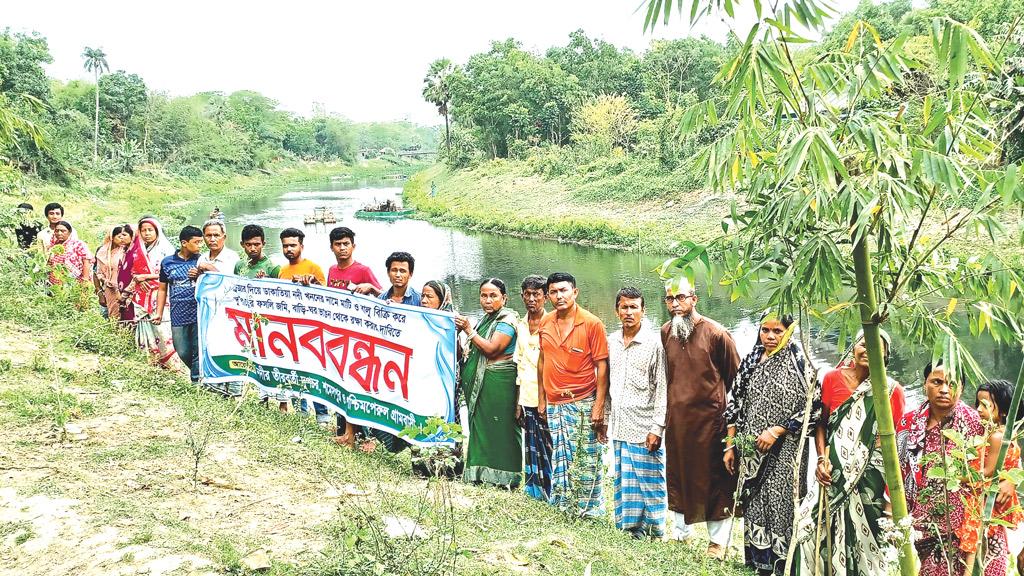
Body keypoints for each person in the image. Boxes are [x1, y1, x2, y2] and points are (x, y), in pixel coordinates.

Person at [794, 330, 905, 576]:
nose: (869, 349)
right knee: (811, 525)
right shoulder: (832, 378)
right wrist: (821, 459)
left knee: (864, 536)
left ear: (885, 354)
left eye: (878, 345)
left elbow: (891, 443)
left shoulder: (892, 391)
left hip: (870, 476)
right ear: (854, 348)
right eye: (864, 343)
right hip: (831, 469)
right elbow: (820, 424)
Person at [723, 312, 816, 575]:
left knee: (783, 507)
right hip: (751, 451)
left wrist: (778, 429)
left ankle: (785, 566)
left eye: (777, 331)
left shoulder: (800, 362)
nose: (771, 337)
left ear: (789, 331)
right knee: (754, 505)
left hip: (786, 453)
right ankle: (757, 564)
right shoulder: (752, 360)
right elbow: (735, 405)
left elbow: (815, 407)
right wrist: (730, 446)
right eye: (765, 330)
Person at [898, 365, 1012, 576]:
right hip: (930, 531)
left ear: (960, 388)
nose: (944, 389)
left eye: (951, 384)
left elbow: (1009, 452)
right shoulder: (908, 423)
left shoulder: (978, 422)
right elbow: (896, 473)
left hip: (976, 526)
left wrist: (1009, 481)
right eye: (937, 382)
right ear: (925, 384)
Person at [660, 278, 739, 558]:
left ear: (694, 299)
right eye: (670, 299)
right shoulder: (666, 332)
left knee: (715, 480)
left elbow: (737, 382)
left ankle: (717, 542)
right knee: (680, 475)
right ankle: (681, 535)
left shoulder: (717, 333)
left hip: (711, 423)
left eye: (681, 298)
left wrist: (725, 417)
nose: (675, 304)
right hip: (678, 423)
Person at [537, 272, 609, 518]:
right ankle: (564, 503)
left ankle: (589, 509)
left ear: (575, 292)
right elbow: (542, 359)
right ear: (548, 296)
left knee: (587, 455)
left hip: (583, 401)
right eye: (554, 292)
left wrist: (599, 406)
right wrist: (542, 398)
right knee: (560, 454)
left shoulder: (592, 323)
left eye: (564, 290)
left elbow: (602, 367)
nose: (559, 296)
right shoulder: (545, 322)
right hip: (554, 402)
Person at [607, 287, 668, 538]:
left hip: (645, 427)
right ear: (617, 310)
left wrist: (657, 428)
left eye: (634, 307)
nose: (629, 312)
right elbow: (606, 381)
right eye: (624, 307)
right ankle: (630, 527)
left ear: (643, 311)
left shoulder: (654, 344)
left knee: (650, 483)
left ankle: (654, 530)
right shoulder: (611, 341)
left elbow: (663, 388)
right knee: (625, 479)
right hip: (620, 424)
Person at [454, 278, 521, 488]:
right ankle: (479, 474)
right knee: (481, 427)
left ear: (504, 298)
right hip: (484, 383)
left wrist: (468, 330)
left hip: (499, 382)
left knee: (501, 427)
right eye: (484, 295)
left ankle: (507, 477)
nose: (488, 300)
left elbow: (493, 349)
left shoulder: (507, 319)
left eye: (493, 296)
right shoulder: (486, 319)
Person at [958, 379, 1024, 576]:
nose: (978, 409)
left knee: (977, 546)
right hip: (994, 503)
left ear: (1003, 411)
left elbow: (988, 472)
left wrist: (960, 476)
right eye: (977, 403)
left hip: (986, 502)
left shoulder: (996, 437)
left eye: (985, 405)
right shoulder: (1006, 434)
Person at [120, 217, 181, 368]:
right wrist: (139, 279)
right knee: (146, 327)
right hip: (142, 295)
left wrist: (147, 277)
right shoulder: (138, 251)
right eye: (143, 230)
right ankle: (151, 362)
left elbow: (172, 272)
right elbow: (133, 271)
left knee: (163, 329)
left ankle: (172, 364)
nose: (146, 233)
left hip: (161, 296)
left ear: (157, 231)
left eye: (150, 230)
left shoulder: (167, 251)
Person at [514, 274, 553, 501]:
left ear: (545, 297)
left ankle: (552, 489)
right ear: (521, 296)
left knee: (549, 444)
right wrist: (518, 401)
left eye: (536, 294)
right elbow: (519, 364)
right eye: (527, 294)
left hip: (548, 395)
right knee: (531, 443)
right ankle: (534, 490)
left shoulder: (553, 323)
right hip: (526, 393)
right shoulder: (520, 325)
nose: (531, 299)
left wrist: (545, 400)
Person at [153, 226, 204, 383]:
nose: (200, 246)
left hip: (198, 313)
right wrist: (159, 313)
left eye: (201, 242)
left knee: (197, 350)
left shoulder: (202, 260)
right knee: (182, 350)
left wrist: (201, 274)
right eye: (197, 242)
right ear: (184, 243)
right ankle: (201, 374)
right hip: (177, 314)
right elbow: (162, 289)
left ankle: (196, 382)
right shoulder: (168, 263)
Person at [93, 224, 134, 322]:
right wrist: (101, 288)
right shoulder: (103, 252)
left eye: (124, 236)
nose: (122, 239)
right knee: (113, 317)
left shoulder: (127, 251)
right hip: (109, 289)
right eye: (119, 236)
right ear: (112, 237)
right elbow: (97, 272)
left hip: (126, 288)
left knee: (127, 315)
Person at [326, 226, 381, 293]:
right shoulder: (332, 269)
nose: (342, 248)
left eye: (346, 244)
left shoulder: (363, 271)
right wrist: (315, 283)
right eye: (338, 244)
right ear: (331, 247)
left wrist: (371, 288)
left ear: (353, 246)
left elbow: (383, 296)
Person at [46, 221, 92, 285]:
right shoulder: (53, 246)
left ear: (69, 232)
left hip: (74, 281)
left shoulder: (78, 244)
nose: (59, 233)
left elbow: (86, 261)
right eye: (57, 231)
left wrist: (85, 280)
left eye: (63, 231)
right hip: (56, 282)